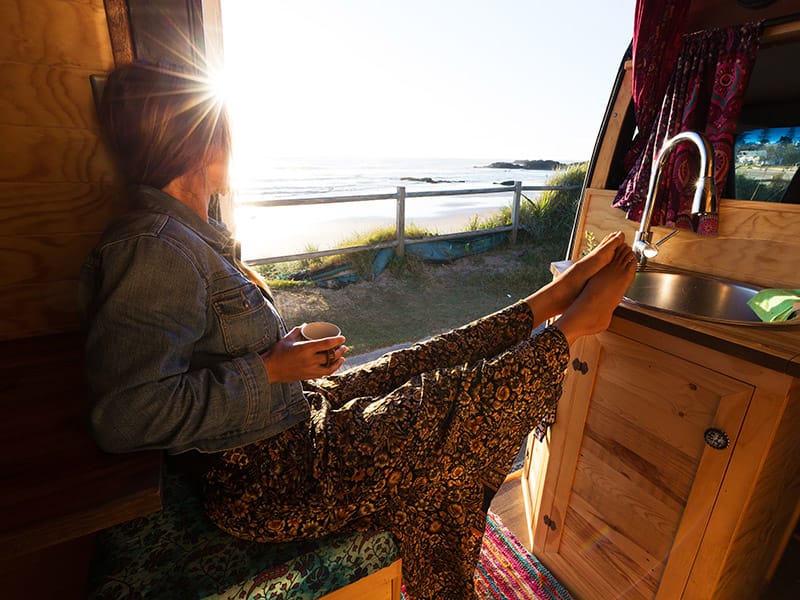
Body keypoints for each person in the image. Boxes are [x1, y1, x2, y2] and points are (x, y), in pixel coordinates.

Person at [78, 62, 637, 600]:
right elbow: (127, 416)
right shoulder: (153, 247)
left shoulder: (191, 235)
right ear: (196, 140)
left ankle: (546, 304)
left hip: (289, 421)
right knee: (442, 401)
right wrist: (269, 369)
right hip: (267, 477)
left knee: (415, 361)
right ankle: (572, 327)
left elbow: (209, 349)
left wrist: (282, 355)